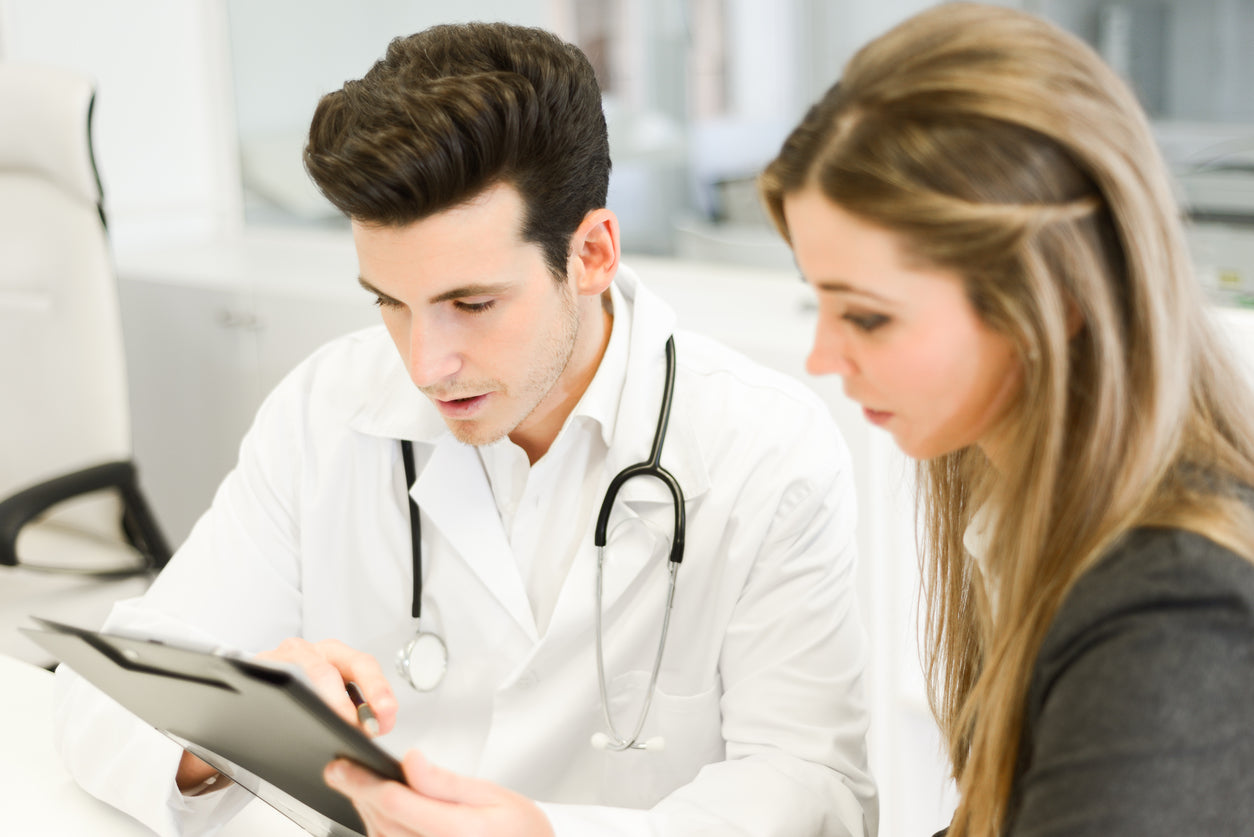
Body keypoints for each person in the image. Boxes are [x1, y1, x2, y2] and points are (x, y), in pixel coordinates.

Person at [53, 21, 876, 837]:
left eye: (471, 305)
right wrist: (233, 720)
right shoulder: (325, 408)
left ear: (591, 253)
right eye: (390, 302)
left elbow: (812, 785)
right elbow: (109, 690)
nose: (425, 364)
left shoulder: (763, 447)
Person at [759, 3, 1254, 836]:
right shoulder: (1027, 516)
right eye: (821, 304)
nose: (822, 357)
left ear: (1051, 299)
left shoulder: (1174, 615)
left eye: (868, 316)